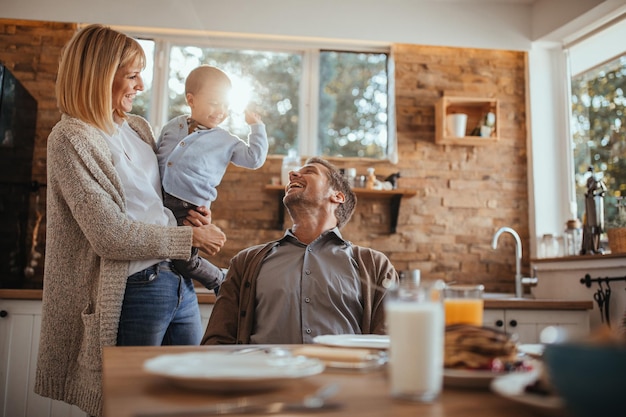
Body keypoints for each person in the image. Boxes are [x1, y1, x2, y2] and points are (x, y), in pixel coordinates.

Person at [34, 24, 226, 417]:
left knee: (187, 403)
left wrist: (191, 214)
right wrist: (188, 239)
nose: (141, 85)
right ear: (101, 74)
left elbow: (156, 204)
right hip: (133, 288)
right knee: (130, 407)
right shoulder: (71, 137)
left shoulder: (138, 129)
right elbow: (108, 235)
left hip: (178, 283)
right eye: (132, 74)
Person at [202, 157, 399, 345]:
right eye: (295, 172)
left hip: (341, 377)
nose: (292, 174)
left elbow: (391, 344)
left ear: (337, 196)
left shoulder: (376, 266)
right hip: (265, 376)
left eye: (309, 171)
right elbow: (217, 340)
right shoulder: (245, 262)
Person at [156, 64, 268, 291]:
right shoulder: (173, 126)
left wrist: (256, 126)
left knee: (184, 261)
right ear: (191, 100)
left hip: (190, 207)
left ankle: (221, 281)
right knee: (161, 251)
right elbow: (156, 155)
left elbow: (254, 158)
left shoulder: (226, 141)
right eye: (214, 103)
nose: (220, 110)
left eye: (225, 105)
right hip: (158, 199)